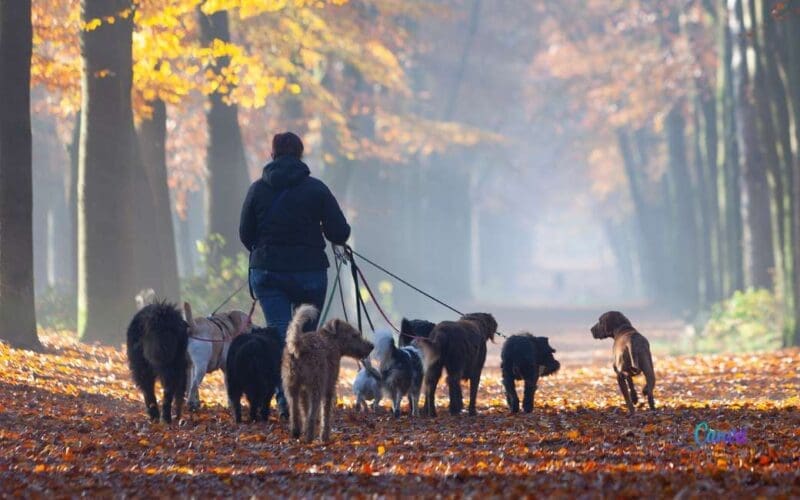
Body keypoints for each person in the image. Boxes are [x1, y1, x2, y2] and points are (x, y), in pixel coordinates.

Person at [239, 131, 351, 418]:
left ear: (272, 154)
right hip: (310, 274)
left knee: (280, 336)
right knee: (307, 338)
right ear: (300, 154)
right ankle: (308, 398)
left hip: (268, 273)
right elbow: (339, 232)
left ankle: (286, 400)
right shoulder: (317, 189)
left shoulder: (257, 190)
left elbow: (245, 234)